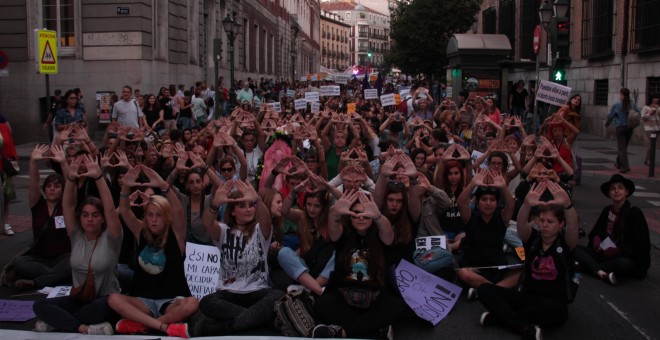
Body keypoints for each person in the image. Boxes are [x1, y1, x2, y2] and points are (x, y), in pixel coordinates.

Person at [32, 155, 122, 335]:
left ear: (102, 218)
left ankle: (58, 322)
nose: (89, 219)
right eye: (85, 215)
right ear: (79, 218)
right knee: (39, 305)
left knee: (98, 309)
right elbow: (68, 206)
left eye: (95, 215)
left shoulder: (112, 237)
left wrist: (98, 177)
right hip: (79, 298)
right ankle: (82, 327)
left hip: (104, 300)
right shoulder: (76, 236)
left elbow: (110, 207)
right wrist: (71, 178)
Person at [477, 181, 578, 340]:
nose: (544, 225)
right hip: (527, 296)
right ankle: (523, 327)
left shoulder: (565, 244)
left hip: (553, 302)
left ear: (560, 225)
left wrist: (568, 205)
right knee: (484, 289)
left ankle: (500, 319)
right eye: (542, 220)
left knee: (549, 310)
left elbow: (573, 227)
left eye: (550, 222)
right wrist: (526, 205)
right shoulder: (533, 240)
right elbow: (521, 224)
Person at [109, 165, 197, 338]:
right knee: (113, 299)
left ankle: (143, 326)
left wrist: (164, 185)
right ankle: (164, 326)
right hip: (143, 300)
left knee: (192, 304)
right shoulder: (140, 231)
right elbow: (125, 211)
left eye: (159, 215)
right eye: (150, 215)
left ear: (166, 217)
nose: (154, 220)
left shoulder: (176, 235)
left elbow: (178, 210)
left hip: (170, 301)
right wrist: (126, 187)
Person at [312, 190, 410, 338]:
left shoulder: (380, 236)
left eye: (366, 214)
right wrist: (336, 212)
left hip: (375, 298)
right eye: (356, 213)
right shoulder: (343, 235)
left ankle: (345, 332)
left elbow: (388, 233)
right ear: (350, 217)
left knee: (397, 306)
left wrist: (377, 215)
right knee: (321, 305)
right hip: (344, 297)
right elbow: (333, 226)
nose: (361, 217)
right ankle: (375, 330)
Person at [194, 180, 283, 336]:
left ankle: (224, 328)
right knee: (207, 302)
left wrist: (257, 200)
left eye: (250, 205)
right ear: (232, 211)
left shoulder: (260, 229)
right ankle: (260, 322)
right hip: (228, 293)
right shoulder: (223, 230)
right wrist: (214, 205)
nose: (248, 209)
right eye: (242, 206)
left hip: (257, 291)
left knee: (278, 296)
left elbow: (266, 220)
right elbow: (207, 223)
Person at [573, 174, 650, 284]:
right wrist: (596, 240)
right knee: (574, 248)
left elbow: (642, 246)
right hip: (603, 253)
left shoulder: (634, 213)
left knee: (622, 264)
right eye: (613, 189)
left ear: (626, 192)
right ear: (609, 193)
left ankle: (586, 267)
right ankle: (602, 273)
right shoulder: (607, 210)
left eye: (620, 188)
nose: (616, 191)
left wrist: (618, 249)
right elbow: (596, 231)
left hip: (625, 257)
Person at [456, 169, 519, 300]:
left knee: (521, 272)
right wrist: (473, 183)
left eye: (492, 200)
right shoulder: (470, 217)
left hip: (497, 267)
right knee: (462, 273)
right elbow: (461, 203)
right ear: (478, 203)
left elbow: (511, 204)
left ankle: (485, 290)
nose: (488, 203)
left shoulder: (502, 217)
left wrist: (503, 187)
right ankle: (498, 290)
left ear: (497, 203)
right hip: (474, 267)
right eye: (484, 199)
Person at [606, 88, 639, 173]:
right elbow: (639, 113)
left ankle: (625, 166)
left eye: (620, 94)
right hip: (630, 128)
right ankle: (618, 163)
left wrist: (607, 123)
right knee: (624, 146)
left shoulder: (617, 104)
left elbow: (610, 115)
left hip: (620, 127)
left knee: (621, 148)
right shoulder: (633, 104)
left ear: (622, 94)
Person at [0, 114, 18, 236]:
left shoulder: (3, 124)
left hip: (4, 166)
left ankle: (5, 224)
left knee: (6, 195)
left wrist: (13, 159)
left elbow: (9, 142)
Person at [641, 94, 660, 166]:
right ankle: (648, 160)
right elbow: (642, 117)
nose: (656, 99)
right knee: (650, 144)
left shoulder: (658, 107)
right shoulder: (646, 107)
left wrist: (658, 109)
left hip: (657, 128)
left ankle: (648, 159)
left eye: (657, 98)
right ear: (651, 99)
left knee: (653, 145)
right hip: (649, 128)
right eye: (654, 98)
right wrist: (650, 113)